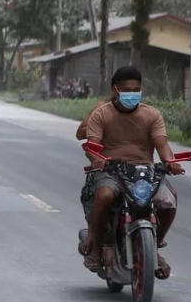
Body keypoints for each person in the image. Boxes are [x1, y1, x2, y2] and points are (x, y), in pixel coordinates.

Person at [78, 66, 183, 278]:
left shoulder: (152, 114)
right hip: (111, 171)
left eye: (136, 89)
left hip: (145, 172)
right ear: (115, 90)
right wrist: (97, 160)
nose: (132, 93)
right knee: (104, 195)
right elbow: (92, 145)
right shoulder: (101, 113)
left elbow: (162, 144)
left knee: (169, 200)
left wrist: (170, 161)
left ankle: (153, 247)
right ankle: (97, 246)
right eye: (127, 89)